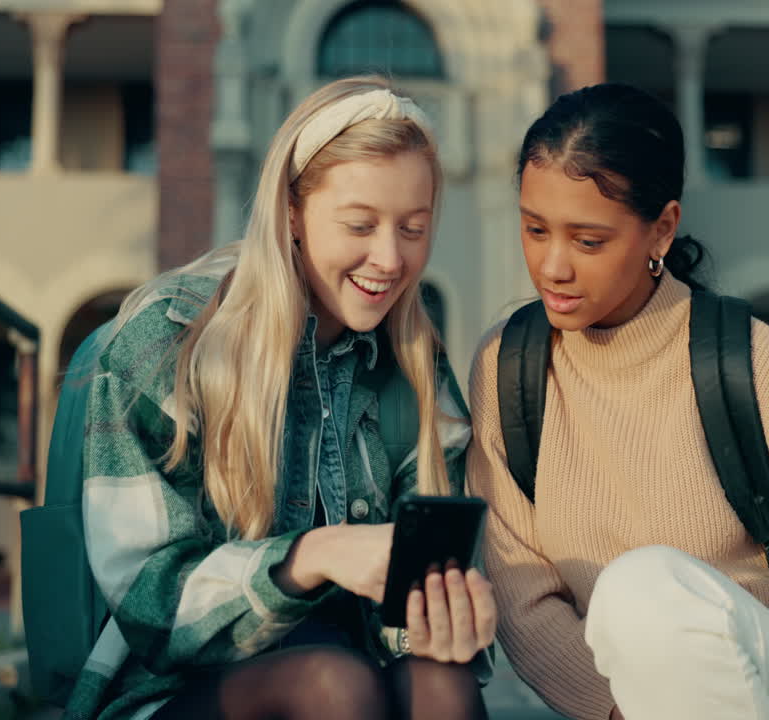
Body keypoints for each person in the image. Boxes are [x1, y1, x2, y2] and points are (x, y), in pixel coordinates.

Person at [467, 83, 769, 720]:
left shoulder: (747, 358)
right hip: (633, 705)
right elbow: (523, 595)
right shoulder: (506, 366)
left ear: (663, 229)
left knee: (642, 585)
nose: (552, 266)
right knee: (634, 594)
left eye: (588, 241)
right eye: (535, 229)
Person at [65, 76, 494, 720]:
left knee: (442, 681)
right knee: (331, 684)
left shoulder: (415, 366)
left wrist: (441, 619)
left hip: (361, 680)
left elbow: (404, 625)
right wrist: (312, 557)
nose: (390, 258)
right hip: (175, 689)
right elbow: (150, 605)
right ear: (291, 213)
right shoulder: (169, 339)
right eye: (361, 224)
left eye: (413, 227)